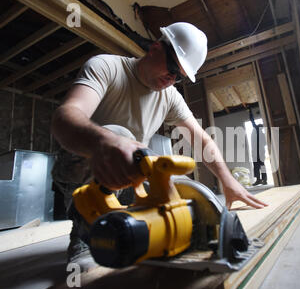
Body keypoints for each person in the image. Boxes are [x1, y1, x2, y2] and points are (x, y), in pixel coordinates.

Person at [51, 22, 268, 270]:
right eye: (172, 67)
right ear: (155, 47)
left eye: (179, 76)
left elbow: (202, 139)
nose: (171, 78)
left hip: (127, 171)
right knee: (118, 134)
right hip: (81, 169)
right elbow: (65, 117)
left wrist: (227, 180)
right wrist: (105, 141)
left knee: (169, 185)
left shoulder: (170, 96)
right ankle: (84, 235)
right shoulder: (107, 67)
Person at [248, 107, 267, 186]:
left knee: (260, 165)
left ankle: (264, 180)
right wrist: (250, 112)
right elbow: (252, 121)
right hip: (256, 152)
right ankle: (259, 180)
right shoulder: (259, 132)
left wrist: (250, 111)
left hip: (260, 152)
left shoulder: (260, 133)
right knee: (257, 166)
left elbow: (265, 143)